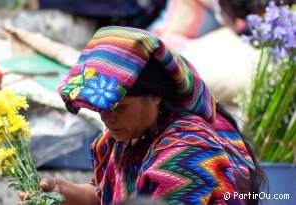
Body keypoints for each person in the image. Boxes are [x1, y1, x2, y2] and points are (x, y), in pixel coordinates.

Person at [18, 26, 266, 205]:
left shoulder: (186, 151)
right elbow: (103, 194)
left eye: (119, 107)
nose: (107, 119)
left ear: (155, 96)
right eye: (101, 109)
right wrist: (59, 190)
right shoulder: (120, 139)